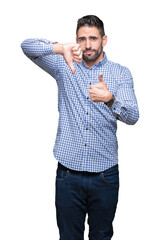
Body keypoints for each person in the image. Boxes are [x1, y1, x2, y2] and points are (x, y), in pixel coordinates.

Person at [21, 15, 139, 240]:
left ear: (104, 40)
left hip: (105, 176)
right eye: (81, 39)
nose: (87, 44)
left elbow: (133, 116)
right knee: (68, 237)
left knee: (102, 236)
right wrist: (60, 48)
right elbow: (27, 47)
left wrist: (110, 99)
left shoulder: (120, 73)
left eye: (93, 38)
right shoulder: (64, 64)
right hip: (68, 176)